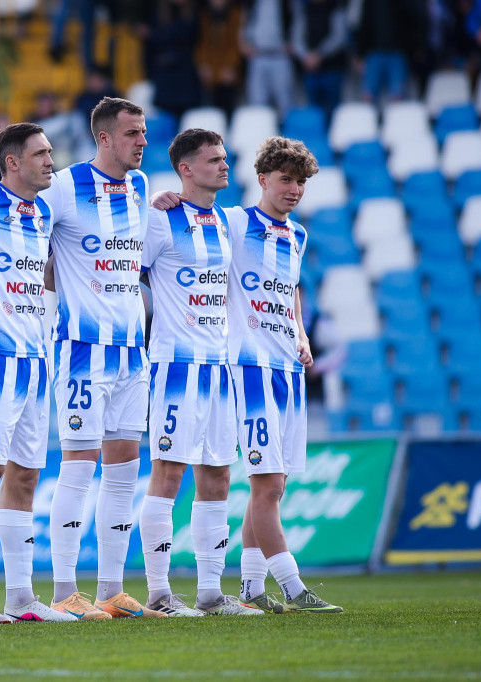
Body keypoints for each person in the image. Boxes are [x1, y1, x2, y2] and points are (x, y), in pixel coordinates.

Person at [153, 136, 343, 614]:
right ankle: (293, 587)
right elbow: (189, 216)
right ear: (262, 180)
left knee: (274, 486)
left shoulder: (297, 235)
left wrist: (300, 334)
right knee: (265, 482)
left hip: (286, 369)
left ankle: (252, 588)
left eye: (300, 182)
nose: (294, 190)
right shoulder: (233, 221)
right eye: (285, 180)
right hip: (246, 367)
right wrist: (165, 198)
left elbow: (290, 293)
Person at [43, 97, 158, 619]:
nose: (142, 141)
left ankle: (111, 589)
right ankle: (65, 590)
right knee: (77, 467)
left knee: (122, 475)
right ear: (105, 138)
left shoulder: (141, 186)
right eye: (133, 133)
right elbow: (37, 253)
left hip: (133, 351)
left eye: (144, 133)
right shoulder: (64, 186)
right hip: (82, 350)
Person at [140, 128, 258, 617]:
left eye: (225, 158)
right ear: (186, 169)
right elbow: (126, 276)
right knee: (168, 474)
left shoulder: (230, 221)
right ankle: (159, 595)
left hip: (220, 368)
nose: (224, 166)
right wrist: (152, 201)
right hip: (175, 366)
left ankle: (210, 593)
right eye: (213, 160)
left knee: (218, 478)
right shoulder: (161, 221)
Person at [0, 123, 78, 623]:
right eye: (41, 153)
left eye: (51, 152)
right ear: (11, 162)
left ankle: (19, 595)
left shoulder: (45, 211)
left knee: (27, 475)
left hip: (37, 359)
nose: (50, 160)